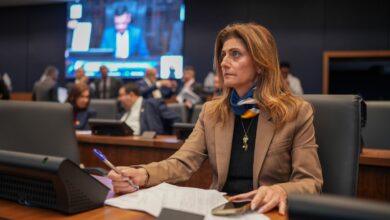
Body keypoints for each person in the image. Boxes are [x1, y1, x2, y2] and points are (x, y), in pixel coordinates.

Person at [108, 23, 323, 215]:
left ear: (260, 63)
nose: (224, 63)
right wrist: (142, 174)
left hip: (268, 213)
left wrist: (280, 190)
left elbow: (310, 182)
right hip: (220, 211)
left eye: (235, 54)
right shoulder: (212, 112)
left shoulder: (295, 112)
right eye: (223, 55)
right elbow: (182, 162)